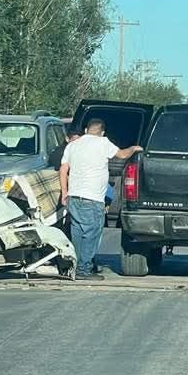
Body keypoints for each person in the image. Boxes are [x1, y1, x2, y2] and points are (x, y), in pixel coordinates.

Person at [60, 118, 142, 280]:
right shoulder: (103, 143)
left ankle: (75, 265)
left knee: (77, 232)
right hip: (93, 198)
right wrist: (134, 147)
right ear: (102, 132)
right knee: (92, 233)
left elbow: (64, 169)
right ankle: (84, 269)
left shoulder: (73, 145)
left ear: (85, 130)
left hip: (74, 196)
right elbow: (122, 154)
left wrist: (64, 192)